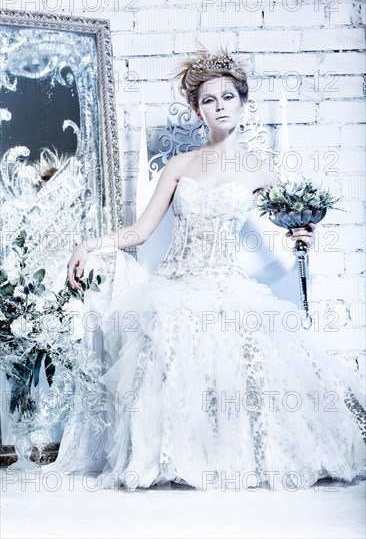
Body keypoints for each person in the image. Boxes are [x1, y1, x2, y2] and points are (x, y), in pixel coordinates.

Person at [58, 49, 364, 491]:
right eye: (208, 100)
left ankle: (235, 457)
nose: (219, 106)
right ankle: (168, 458)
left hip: (227, 284)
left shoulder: (259, 169)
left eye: (227, 97)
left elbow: (286, 225)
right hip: (174, 283)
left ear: (242, 103)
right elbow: (140, 232)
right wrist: (87, 245)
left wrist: (300, 236)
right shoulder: (179, 166)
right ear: (197, 110)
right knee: (166, 336)